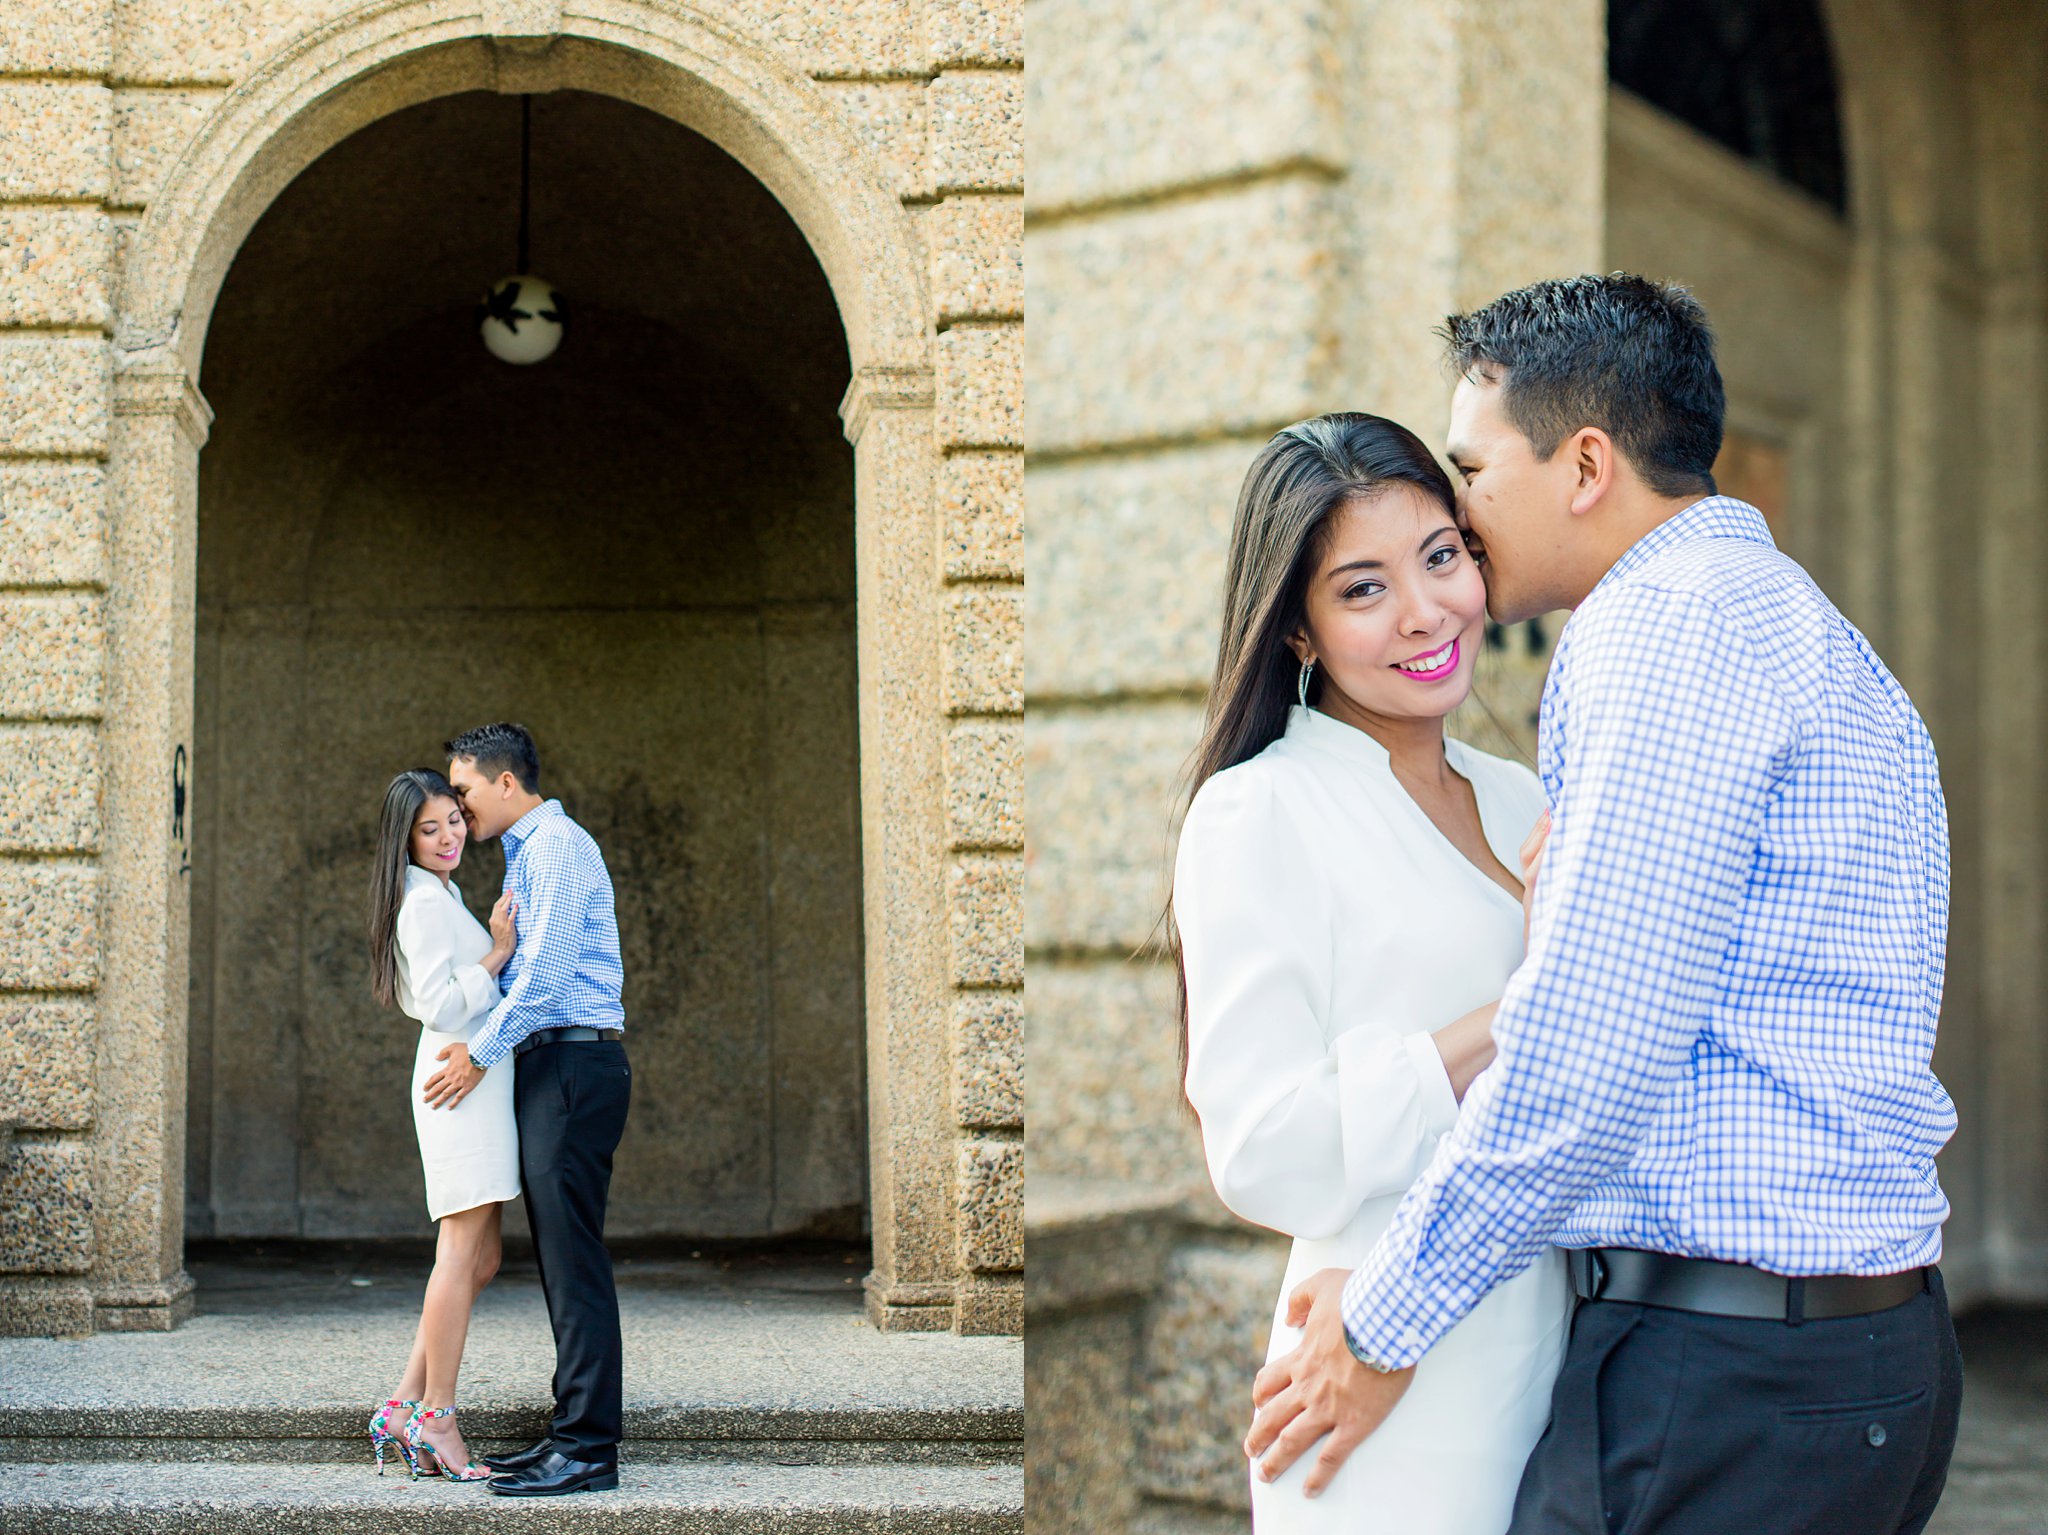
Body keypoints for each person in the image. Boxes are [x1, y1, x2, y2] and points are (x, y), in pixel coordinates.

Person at [1245, 274, 1962, 1535]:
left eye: (1471, 470)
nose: (1459, 517)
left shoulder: (1655, 631)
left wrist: (1381, 1318)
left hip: (1729, 1376)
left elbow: (1586, 1048)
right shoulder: (1807, 629)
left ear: (1582, 464)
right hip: (1853, 1358)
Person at [1171, 412, 1571, 1533]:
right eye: (1360, 588)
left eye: (1438, 556)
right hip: (1381, 1369)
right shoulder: (1260, 810)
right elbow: (1259, 1148)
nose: (1423, 611)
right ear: (1295, 630)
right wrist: (1523, 1010)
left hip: (1559, 1343)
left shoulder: (1520, 796)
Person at [426, 722, 631, 1498]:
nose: (459, 807)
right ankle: (571, 1438)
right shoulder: (529, 852)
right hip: (554, 1059)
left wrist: (477, 1056)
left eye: (466, 791)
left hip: (574, 1060)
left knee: (574, 1259)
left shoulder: (557, 846)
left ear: (506, 782)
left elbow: (543, 980)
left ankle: (587, 1448)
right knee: (563, 1256)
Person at [364, 767, 521, 1483]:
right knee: (460, 1254)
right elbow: (439, 1003)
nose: (449, 835)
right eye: (429, 829)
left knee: (481, 1258)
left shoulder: (441, 892)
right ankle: (440, 1416)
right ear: (406, 838)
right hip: (456, 1086)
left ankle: (401, 1404)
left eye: (453, 819)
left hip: (475, 1086)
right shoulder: (423, 904)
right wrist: (496, 951)